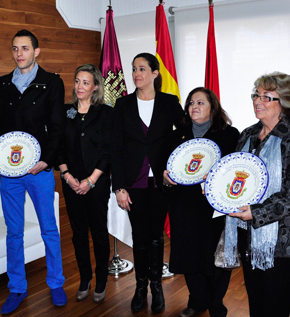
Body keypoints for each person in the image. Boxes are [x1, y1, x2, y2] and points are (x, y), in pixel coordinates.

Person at [0, 29, 67, 314]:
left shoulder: (52, 83)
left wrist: (46, 160)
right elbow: (0, 124)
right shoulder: (3, 84)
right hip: (9, 171)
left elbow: (58, 128)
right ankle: (17, 288)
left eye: (24, 48)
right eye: (15, 48)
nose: (19, 53)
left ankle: (56, 283)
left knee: (49, 229)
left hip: (39, 170)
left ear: (36, 51)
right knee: (13, 232)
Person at [226, 72, 290, 317]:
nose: (258, 100)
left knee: (275, 307)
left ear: (284, 104)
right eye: (256, 94)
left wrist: (256, 212)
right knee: (255, 302)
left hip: (283, 240)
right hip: (248, 235)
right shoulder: (247, 135)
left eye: (267, 97)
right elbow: (235, 175)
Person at [111, 52, 184, 313]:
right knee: (139, 237)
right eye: (133, 69)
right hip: (133, 183)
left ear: (155, 73)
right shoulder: (123, 105)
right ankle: (140, 287)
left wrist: (174, 167)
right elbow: (115, 148)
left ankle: (157, 287)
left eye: (142, 69)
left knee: (156, 237)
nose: (136, 74)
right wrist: (118, 187)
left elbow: (186, 136)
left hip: (161, 182)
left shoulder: (169, 102)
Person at [163, 87, 240, 317]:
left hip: (214, 209)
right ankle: (196, 301)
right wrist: (166, 179)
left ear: (212, 107)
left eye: (200, 103)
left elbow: (235, 171)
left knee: (214, 259)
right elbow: (165, 171)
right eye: (191, 103)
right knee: (189, 256)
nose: (194, 107)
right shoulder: (177, 136)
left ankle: (216, 303)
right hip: (183, 207)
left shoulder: (230, 134)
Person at [58, 64, 113, 303]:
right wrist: (68, 176)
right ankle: (84, 278)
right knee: (78, 234)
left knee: (99, 233)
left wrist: (90, 180)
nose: (80, 86)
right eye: (77, 81)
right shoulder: (64, 112)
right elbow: (57, 147)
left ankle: (101, 279)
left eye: (86, 82)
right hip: (71, 183)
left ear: (95, 87)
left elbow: (108, 151)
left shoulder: (106, 113)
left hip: (96, 183)